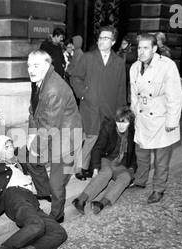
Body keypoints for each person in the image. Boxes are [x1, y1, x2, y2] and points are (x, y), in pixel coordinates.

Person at [26, 49, 83, 224]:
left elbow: (49, 127)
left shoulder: (53, 90)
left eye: (36, 65)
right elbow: (34, 112)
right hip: (53, 133)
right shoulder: (39, 80)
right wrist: (31, 137)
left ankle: (57, 216)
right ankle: (45, 193)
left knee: (57, 184)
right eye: (29, 65)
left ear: (47, 65)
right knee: (30, 160)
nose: (31, 70)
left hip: (66, 140)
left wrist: (36, 148)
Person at [128, 33, 182, 204]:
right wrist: (135, 110)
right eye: (139, 48)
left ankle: (158, 188)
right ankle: (140, 181)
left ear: (154, 48)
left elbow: (175, 96)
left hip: (161, 118)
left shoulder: (167, 66)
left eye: (145, 48)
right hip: (143, 118)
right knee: (141, 154)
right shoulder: (134, 67)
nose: (141, 52)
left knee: (161, 159)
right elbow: (134, 93)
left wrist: (172, 122)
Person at [70, 25, 127, 181]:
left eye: (106, 38)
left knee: (102, 139)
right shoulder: (88, 57)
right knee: (91, 137)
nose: (101, 41)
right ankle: (81, 168)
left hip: (110, 108)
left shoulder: (118, 62)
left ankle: (92, 167)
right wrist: (84, 93)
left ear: (113, 41)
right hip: (91, 106)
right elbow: (75, 78)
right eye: (100, 37)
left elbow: (122, 88)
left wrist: (122, 111)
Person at [72, 105, 137, 214]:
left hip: (121, 164)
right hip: (106, 158)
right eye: (118, 122)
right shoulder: (108, 127)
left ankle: (101, 203)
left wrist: (132, 168)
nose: (121, 126)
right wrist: (96, 167)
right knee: (107, 172)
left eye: (124, 123)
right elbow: (97, 148)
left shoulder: (133, 132)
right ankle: (80, 200)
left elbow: (135, 154)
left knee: (126, 176)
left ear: (130, 122)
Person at [117, 36, 138, 105]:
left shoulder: (133, 53)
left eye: (125, 43)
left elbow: (132, 59)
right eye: (122, 43)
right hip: (120, 75)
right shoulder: (118, 53)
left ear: (129, 44)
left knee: (130, 90)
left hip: (129, 75)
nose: (123, 45)